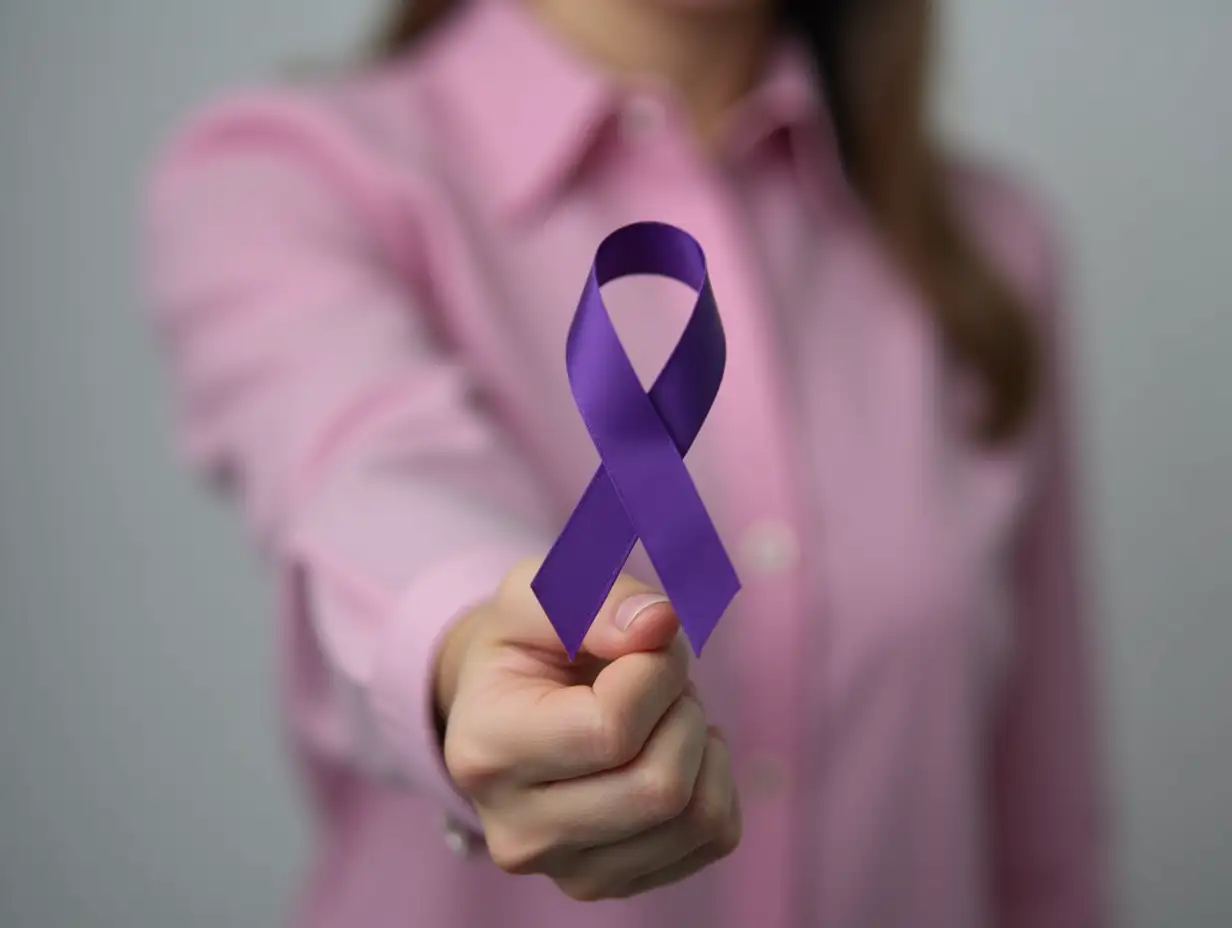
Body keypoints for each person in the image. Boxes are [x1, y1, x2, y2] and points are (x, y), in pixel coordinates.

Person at [143, 0, 1109, 925]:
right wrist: (472, 646)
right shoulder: (289, 176)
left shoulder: (992, 252)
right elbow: (369, 467)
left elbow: (1042, 837)